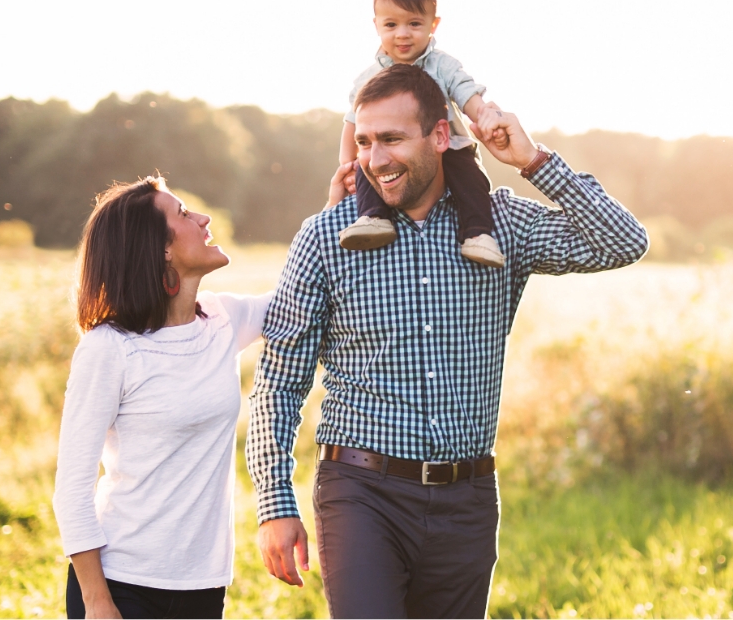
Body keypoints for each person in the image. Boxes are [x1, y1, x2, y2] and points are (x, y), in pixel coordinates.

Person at [249, 63, 648, 618]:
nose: (375, 158)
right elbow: (278, 380)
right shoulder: (327, 236)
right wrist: (274, 502)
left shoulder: (499, 226)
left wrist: (532, 161)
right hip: (362, 493)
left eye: (391, 139)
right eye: (364, 141)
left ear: (440, 136)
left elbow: (623, 242)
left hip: (467, 498)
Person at [51, 168, 357, 619]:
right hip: (122, 583)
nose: (204, 218)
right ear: (161, 249)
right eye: (183, 213)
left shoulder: (220, 320)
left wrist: (335, 213)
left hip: (202, 584)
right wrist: (97, 602)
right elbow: (72, 488)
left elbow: (301, 296)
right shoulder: (109, 348)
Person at [336, 0, 507, 268]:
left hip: (449, 145)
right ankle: (373, 218)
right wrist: (347, 164)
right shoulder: (369, 77)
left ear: (433, 24)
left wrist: (485, 117)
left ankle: (478, 234)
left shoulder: (443, 65)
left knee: (472, 178)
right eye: (391, 25)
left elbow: (466, 92)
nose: (402, 34)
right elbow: (353, 122)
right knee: (370, 168)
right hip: (387, 153)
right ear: (376, 25)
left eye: (414, 23)